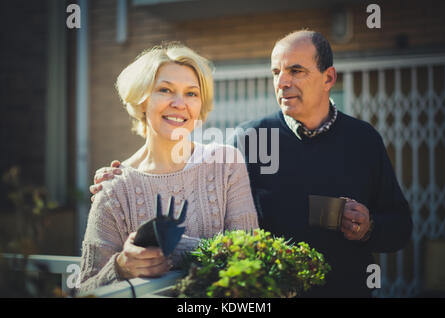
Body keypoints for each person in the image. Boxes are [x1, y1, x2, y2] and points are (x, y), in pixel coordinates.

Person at [91, 30, 413, 297]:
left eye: (296, 71)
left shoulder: (363, 140)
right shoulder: (249, 139)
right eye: (276, 72)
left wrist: (370, 228)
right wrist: (122, 179)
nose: (282, 82)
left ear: (329, 77)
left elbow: (400, 227)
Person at [78, 44, 258, 294]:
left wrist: (175, 249)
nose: (179, 103)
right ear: (141, 100)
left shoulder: (227, 163)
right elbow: (84, 287)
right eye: (165, 90)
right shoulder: (114, 187)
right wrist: (120, 267)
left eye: (191, 94)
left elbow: (251, 259)